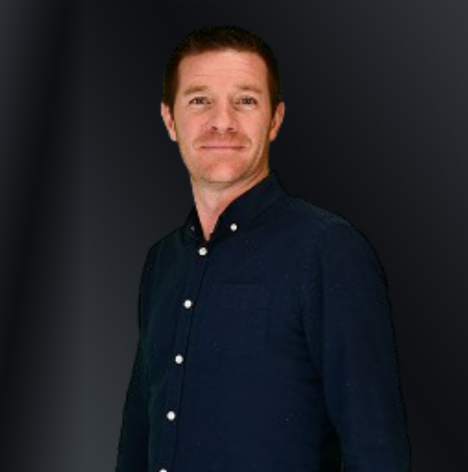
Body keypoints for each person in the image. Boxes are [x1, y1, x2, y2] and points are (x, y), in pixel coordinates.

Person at [115, 25, 410, 472]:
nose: (223, 121)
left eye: (246, 101)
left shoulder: (328, 250)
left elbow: (376, 449)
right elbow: (139, 434)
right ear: (169, 120)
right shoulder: (162, 261)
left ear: (275, 119)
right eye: (200, 100)